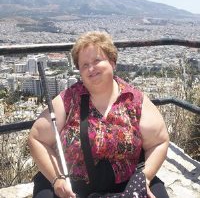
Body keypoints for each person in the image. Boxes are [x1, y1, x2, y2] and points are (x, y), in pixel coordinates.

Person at [28, 31, 169, 198]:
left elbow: (159, 141)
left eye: (97, 60)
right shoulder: (69, 99)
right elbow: (36, 138)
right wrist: (57, 179)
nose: (91, 68)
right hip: (72, 186)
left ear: (112, 62)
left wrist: (145, 177)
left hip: (127, 185)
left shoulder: (134, 100)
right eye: (84, 65)